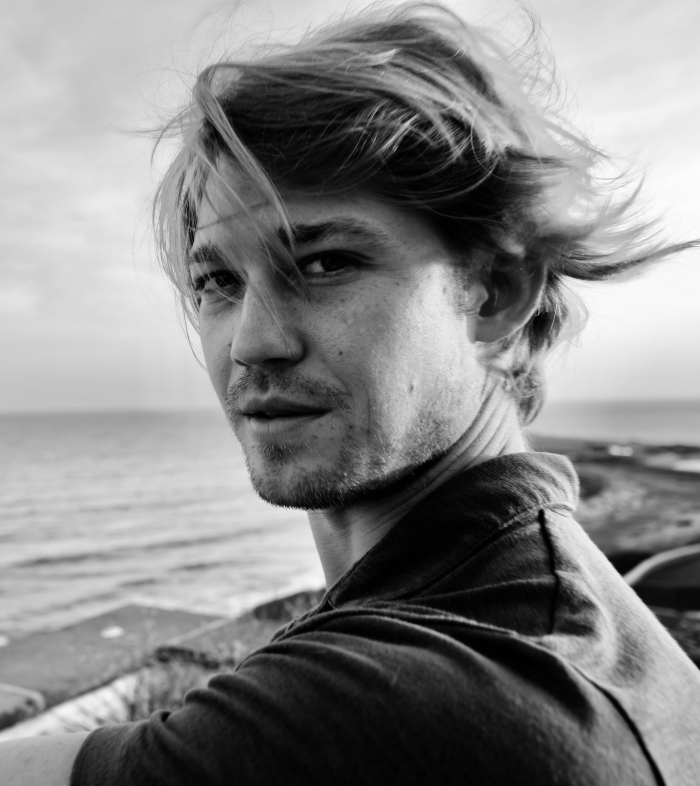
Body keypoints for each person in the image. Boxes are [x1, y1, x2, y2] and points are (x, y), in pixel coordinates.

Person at [3, 2, 699, 784]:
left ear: (497, 292)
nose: (253, 342)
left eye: (326, 263)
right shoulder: (545, 611)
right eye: (217, 281)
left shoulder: (425, 690)